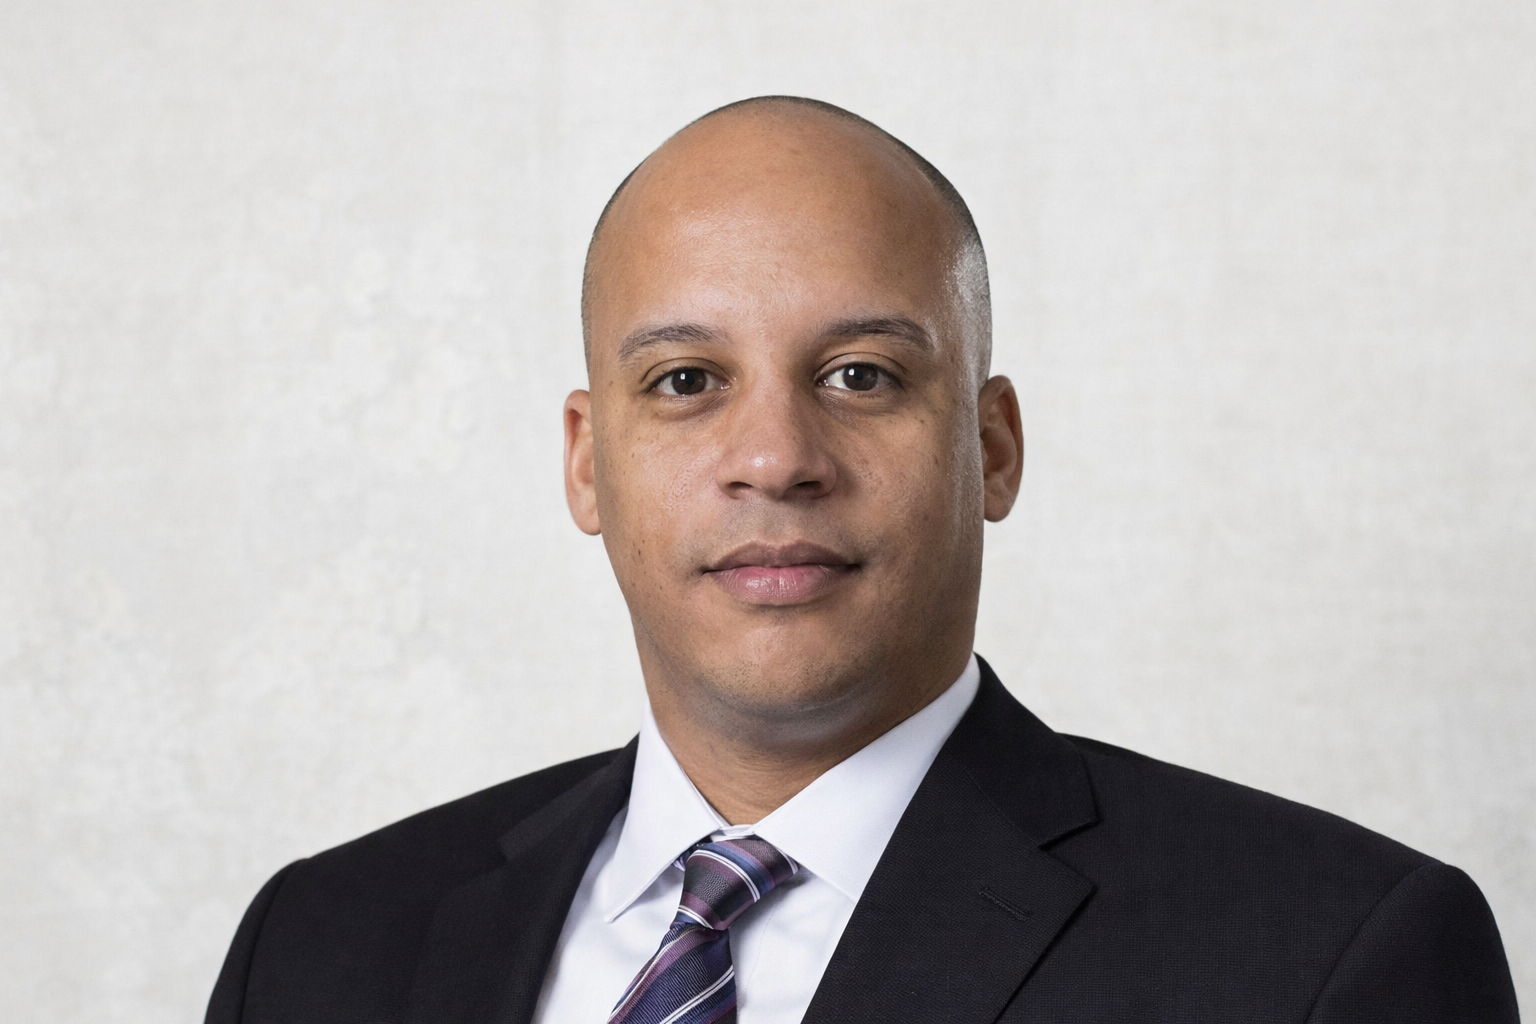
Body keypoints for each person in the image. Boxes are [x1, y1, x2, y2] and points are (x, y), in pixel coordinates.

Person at [205, 96, 1519, 1024]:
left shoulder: (1325, 961)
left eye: (860, 374)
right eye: (684, 380)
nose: (774, 456)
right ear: (585, 461)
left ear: (993, 450)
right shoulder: (322, 949)